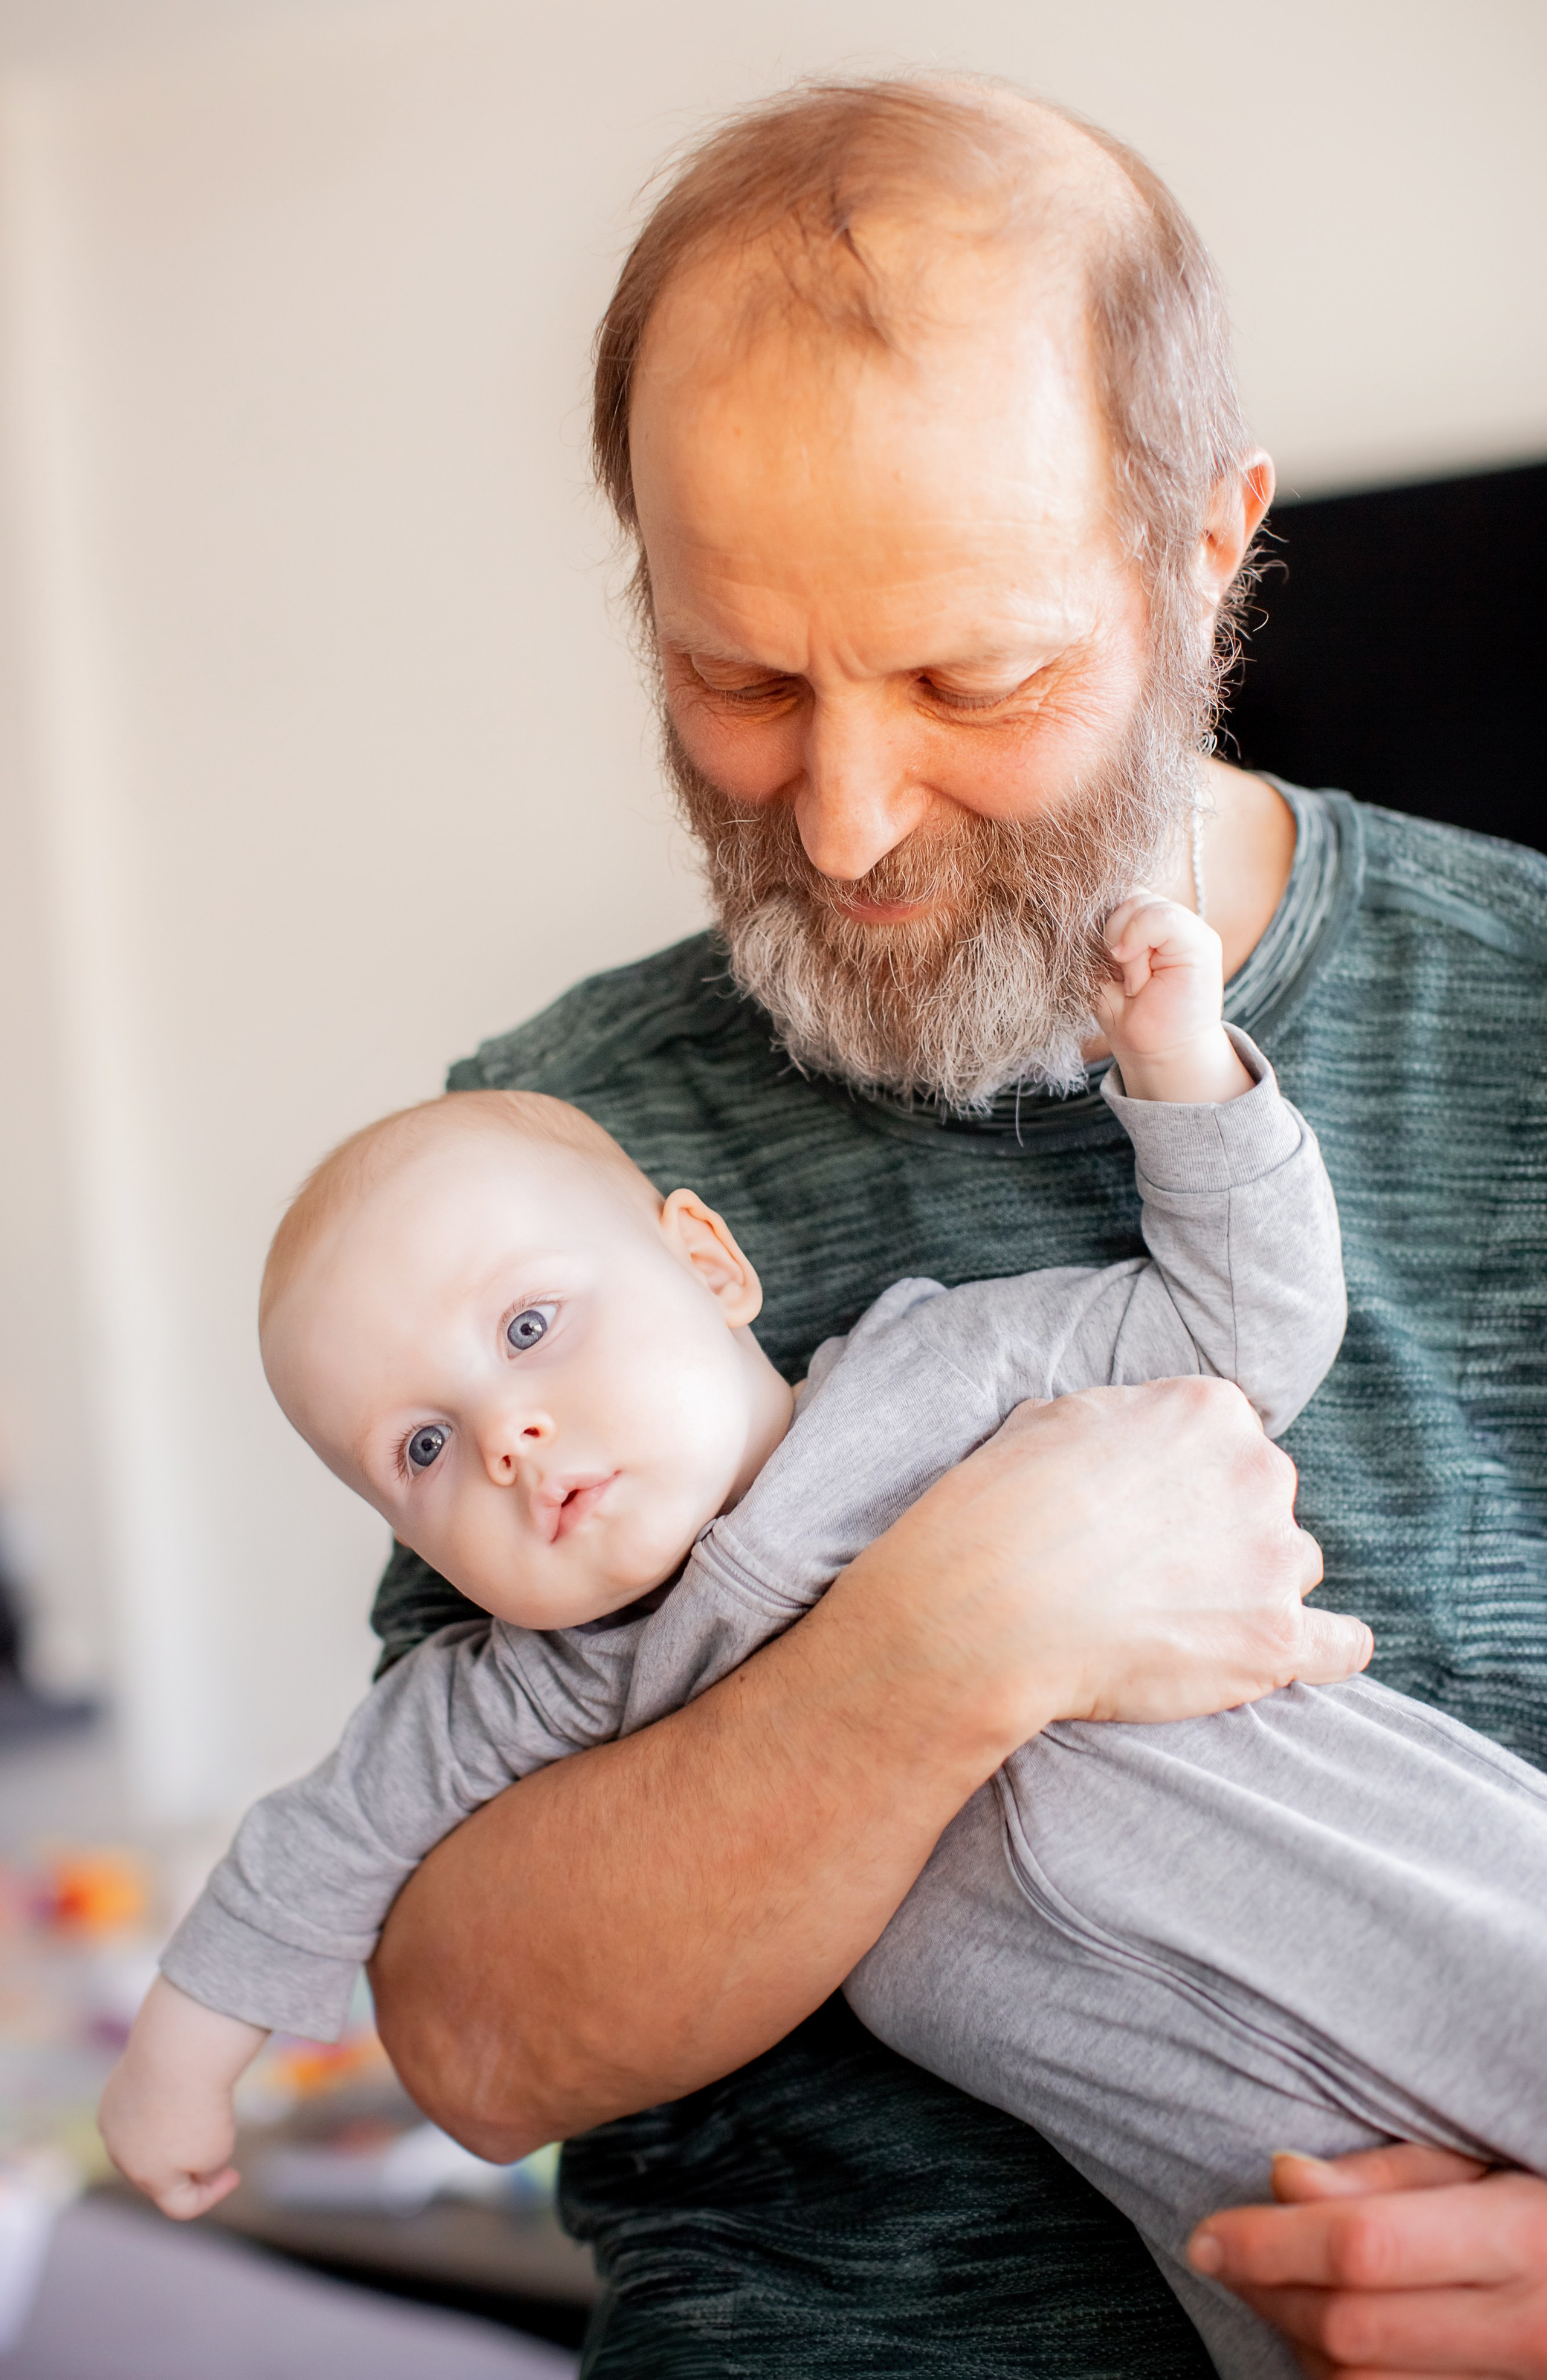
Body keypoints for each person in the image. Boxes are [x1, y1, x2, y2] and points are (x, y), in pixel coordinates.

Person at [351, 75, 1546, 2379]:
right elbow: (473, 2035)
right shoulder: (548, 1161)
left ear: (1211, 552)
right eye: (742, 678)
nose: (853, 808)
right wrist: (933, 1650)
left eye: (971, 677)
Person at [100, 901, 1547, 2380]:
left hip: (1392, 1888)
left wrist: (1182, 1073)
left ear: (709, 1264)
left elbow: (1245, 1325)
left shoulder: (942, 1371)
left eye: (529, 1329)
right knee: (1313, 2310)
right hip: (1219, 2150)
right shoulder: (531, 1693)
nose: (506, 1436)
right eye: (419, 1446)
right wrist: (177, 2068)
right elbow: (315, 1850)